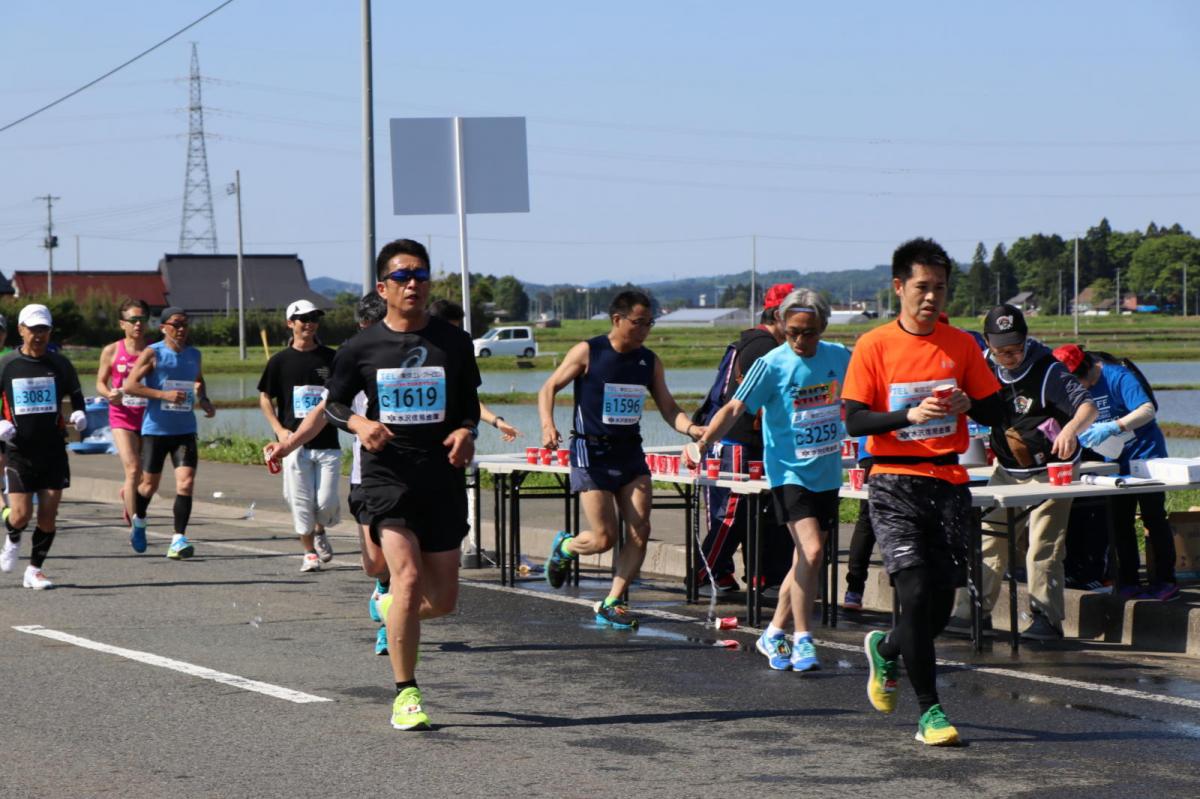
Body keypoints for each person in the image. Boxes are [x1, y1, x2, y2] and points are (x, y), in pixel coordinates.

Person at [844, 238, 1005, 746]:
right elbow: (854, 419)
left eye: (939, 287)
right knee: (911, 592)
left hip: (949, 481)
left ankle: (887, 650)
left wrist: (968, 403)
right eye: (921, 287)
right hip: (892, 480)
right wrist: (907, 415)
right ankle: (930, 712)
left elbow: (997, 411)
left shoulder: (960, 345)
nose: (931, 297)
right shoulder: (874, 345)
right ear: (898, 287)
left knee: (938, 607)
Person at [322, 239, 480, 731]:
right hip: (387, 476)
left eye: (421, 274)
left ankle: (394, 610)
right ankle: (406, 693)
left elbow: (469, 405)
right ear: (382, 287)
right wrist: (359, 426)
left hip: (441, 476)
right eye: (403, 276)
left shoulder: (454, 342)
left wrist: (466, 431)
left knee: (445, 600)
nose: (414, 283)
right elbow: (333, 403)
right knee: (407, 578)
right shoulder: (361, 347)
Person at [687, 289, 849, 671]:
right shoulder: (771, 363)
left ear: (822, 327)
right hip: (787, 472)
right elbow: (734, 406)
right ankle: (804, 638)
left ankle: (773, 629)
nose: (799, 341)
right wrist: (704, 441)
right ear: (782, 325)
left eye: (808, 333)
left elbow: (870, 389)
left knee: (802, 561)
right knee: (811, 553)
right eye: (792, 331)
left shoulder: (839, 356)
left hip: (826, 470)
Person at [538, 290, 703, 629]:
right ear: (617, 320)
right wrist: (547, 425)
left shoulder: (649, 361)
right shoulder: (589, 351)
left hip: (629, 452)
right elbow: (548, 387)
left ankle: (611, 601)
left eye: (649, 323)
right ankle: (567, 546)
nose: (644, 330)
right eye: (638, 322)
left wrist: (691, 429)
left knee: (640, 529)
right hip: (591, 452)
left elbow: (669, 407)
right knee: (603, 538)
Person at [944, 305, 1096, 641]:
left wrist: (1072, 430)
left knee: (1043, 545)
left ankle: (1046, 618)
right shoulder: (983, 364)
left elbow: (1088, 406)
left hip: (1052, 470)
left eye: (1015, 349)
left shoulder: (1048, 370)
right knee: (989, 539)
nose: (1009, 358)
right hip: (1006, 467)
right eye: (1001, 351)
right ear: (988, 343)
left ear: (1026, 341)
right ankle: (973, 612)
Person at [266, 292, 390, 654]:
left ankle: (390, 627)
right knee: (376, 565)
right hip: (367, 474)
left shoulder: (408, 358)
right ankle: (382, 589)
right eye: (371, 329)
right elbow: (323, 408)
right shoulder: (351, 360)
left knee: (409, 568)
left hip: (411, 474)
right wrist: (286, 445)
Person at [690, 283, 795, 597]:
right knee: (733, 514)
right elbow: (746, 403)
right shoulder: (763, 347)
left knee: (752, 513)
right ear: (779, 315)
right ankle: (702, 571)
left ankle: (746, 573)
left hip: (746, 441)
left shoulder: (752, 341)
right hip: (737, 440)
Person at [1052, 343, 1178, 601]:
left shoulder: (1117, 377)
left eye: (1077, 382)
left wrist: (1114, 425)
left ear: (1087, 368)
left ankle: (1166, 580)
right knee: (1120, 522)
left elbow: (1147, 410)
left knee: (1154, 518)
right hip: (1113, 461)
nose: (1077, 389)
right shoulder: (1079, 388)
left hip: (1145, 455)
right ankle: (1129, 581)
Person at [0, 304, 88, 589]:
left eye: (44, 329)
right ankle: (13, 538)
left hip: (52, 450)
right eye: (33, 329)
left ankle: (34, 570)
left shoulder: (60, 364)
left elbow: (76, 394)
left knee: (48, 517)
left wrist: (79, 413)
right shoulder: (7, 364)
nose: (38, 335)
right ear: (21, 330)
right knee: (20, 515)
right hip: (18, 450)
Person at [123, 306, 216, 560]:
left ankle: (178, 539)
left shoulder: (194, 355)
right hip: (156, 430)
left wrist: (204, 399)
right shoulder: (154, 353)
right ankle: (139, 521)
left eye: (185, 324)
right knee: (148, 486)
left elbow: (198, 380)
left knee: (186, 482)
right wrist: (164, 395)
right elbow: (129, 385)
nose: (182, 329)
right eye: (176, 324)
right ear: (163, 327)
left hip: (184, 430)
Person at [258, 299, 341, 572]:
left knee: (326, 503)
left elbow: (342, 396)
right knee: (301, 502)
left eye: (314, 318)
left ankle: (320, 530)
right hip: (293, 444)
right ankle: (309, 552)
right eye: (303, 318)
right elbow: (264, 397)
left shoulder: (331, 359)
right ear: (290, 323)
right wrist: (280, 430)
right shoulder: (280, 361)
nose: (309, 323)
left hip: (327, 443)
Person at [95, 298, 151, 540]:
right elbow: (100, 382)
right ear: (122, 324)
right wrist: (109, 394)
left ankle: (128, 495)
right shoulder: (111, 350)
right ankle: (137, 527)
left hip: (149, 417)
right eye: (133, 320)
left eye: (142, 320)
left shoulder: (154, 350)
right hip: (122, 416)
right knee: (132, 469)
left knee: (144, 477)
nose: (138, 324)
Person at [428, 299, 521, 441]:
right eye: (450, 331)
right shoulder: (415, 354)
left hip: (451, 445)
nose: (454, 338)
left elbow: (469, 399)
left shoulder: (457, 357)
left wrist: (497, 422)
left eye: (456, 331)